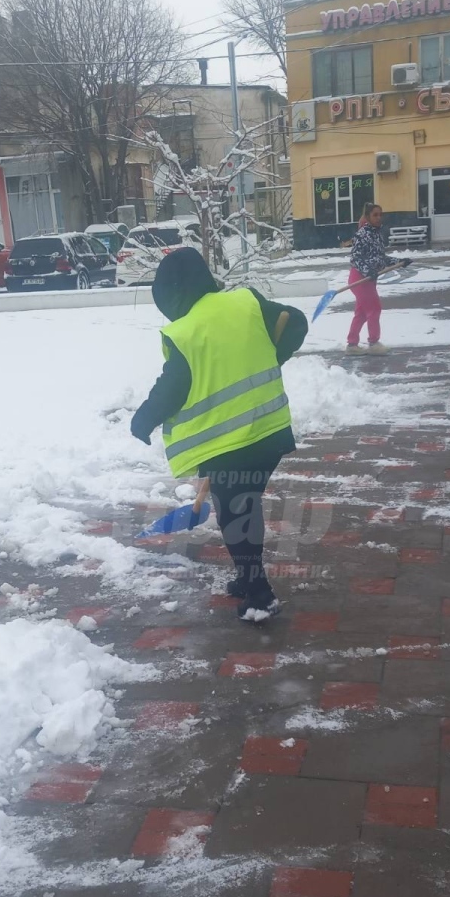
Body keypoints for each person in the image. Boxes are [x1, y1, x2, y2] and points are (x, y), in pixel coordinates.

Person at [131, 248, 308, 622]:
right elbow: (296, 322)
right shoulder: (245, 302)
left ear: (171, 293)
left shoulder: (185, 331)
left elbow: (173, 387)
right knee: (243, 506)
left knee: (236, 514)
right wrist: (273, 354)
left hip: (232, 443)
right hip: (269, 431)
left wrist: (143, 419)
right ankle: (248, 579)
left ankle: (259, 594)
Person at [346, 203, 410, 354]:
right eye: (375, 215)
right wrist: (368, 271)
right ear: (368, 217)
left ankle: (352, 345)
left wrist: (400, 262)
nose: (379, 217)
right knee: (374, 308)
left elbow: (380, 259)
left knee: (362, 313)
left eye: (380, 214)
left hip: (368, 279)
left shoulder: (377, 234)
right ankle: (374, 343)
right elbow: (355, 258)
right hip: (360, 278)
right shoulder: (363, 234)